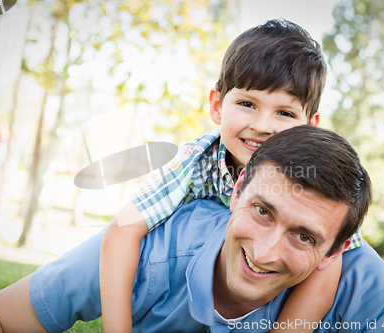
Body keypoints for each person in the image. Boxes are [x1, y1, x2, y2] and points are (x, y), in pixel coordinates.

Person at [0, 126, 384, 332]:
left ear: (336, 251)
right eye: (262, 210)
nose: (263, 252)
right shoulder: (159, 249)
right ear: (236, 188)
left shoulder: (365, 290)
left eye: (304, 236)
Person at [99, 18, 363, 332]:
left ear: (310, 124)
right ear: (217, 106)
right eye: (247, 103)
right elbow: (123, 230)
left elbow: (325, 271)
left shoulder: (319, 182)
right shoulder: (197, 160)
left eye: (284, 112)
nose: (264, 125)